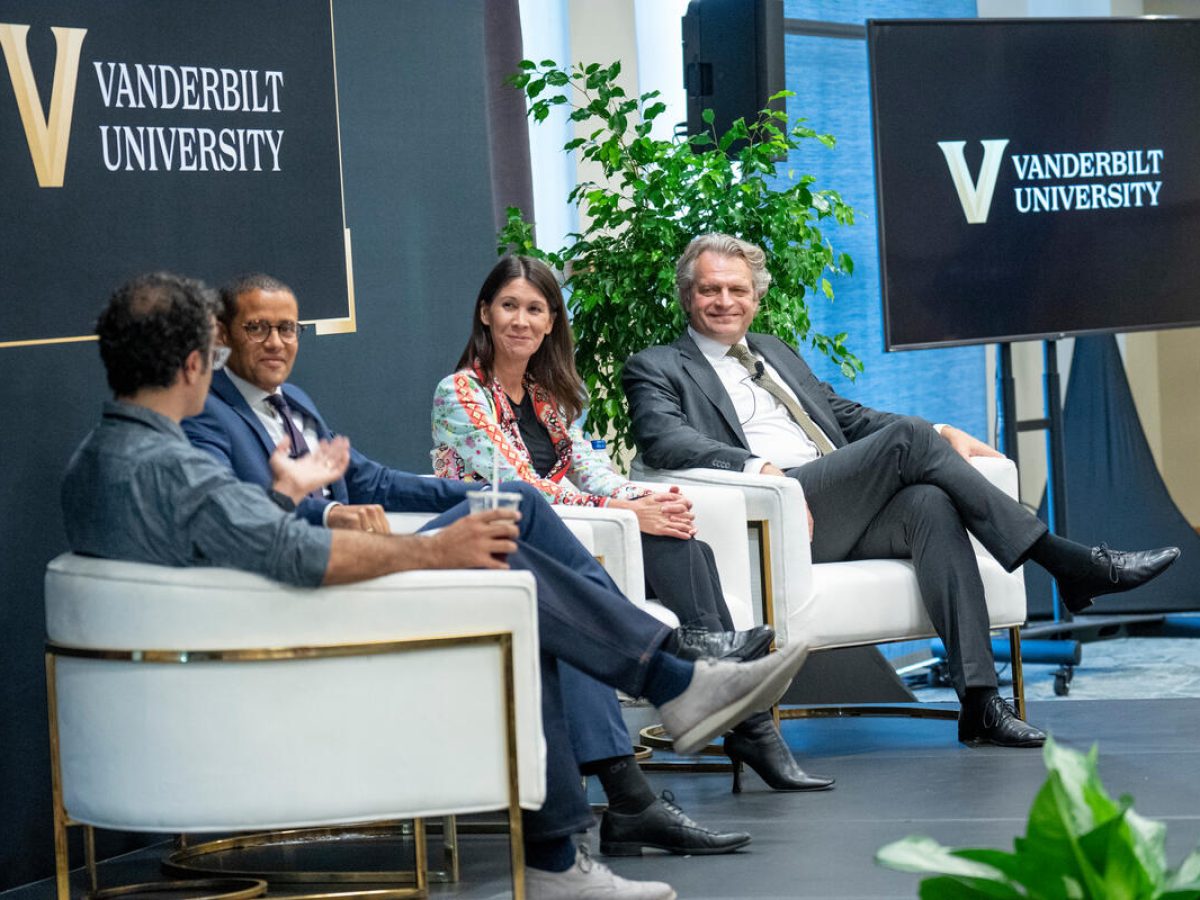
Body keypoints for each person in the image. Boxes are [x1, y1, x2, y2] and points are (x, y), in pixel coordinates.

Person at [64, 272, 814, 900]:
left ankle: (644, 720)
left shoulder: (103, 458)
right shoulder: (178, 464)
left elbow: (236, 534)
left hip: (241, 631)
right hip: (284, 647)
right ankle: (659, 695)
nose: (271, 344)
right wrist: (435, 551)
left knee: (512, 528)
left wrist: (295, 496)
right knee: (506, 566)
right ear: (200, 360)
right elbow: (297, 557)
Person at [623, 233, 1181, 749]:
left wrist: (942, 433)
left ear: (756, 297)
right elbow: (665, 440)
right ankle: (1063, 559)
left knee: (931, 503)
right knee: (909, 439)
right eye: (709, 289)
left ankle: (981, 703)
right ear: (686, 296)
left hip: (837, 504)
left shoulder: (775, 352)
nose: (724, 300)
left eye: (736, 289)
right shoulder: (657, 366)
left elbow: (843, 415)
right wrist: (756, 465)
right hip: (777, 510)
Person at [431, 254, 832, 794]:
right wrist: (624, 511)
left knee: (682, 539)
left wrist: (650, 499)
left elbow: (593, 474)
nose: (520, 321)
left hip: (576, 538)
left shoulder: (548, 398)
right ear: (485, 313)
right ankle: (731, 698)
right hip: (513, 548)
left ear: (552, 321)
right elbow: (520, 486)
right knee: (667, 541)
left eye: (534, 309)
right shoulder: (460, 392)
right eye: (508, 307)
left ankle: (727, 693)